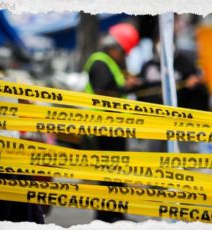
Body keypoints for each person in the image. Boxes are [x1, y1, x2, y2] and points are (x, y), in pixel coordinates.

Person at [83, 23, 141, 222]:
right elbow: (103, 91)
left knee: (116, 174)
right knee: (109, 175)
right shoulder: (100, 62)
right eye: (123, 52)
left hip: (113, 126)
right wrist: (125, 86)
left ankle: (115, 214)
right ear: (114, 47)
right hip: (104, 127)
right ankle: (106, 218)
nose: (123, 56)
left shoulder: (108, 63)